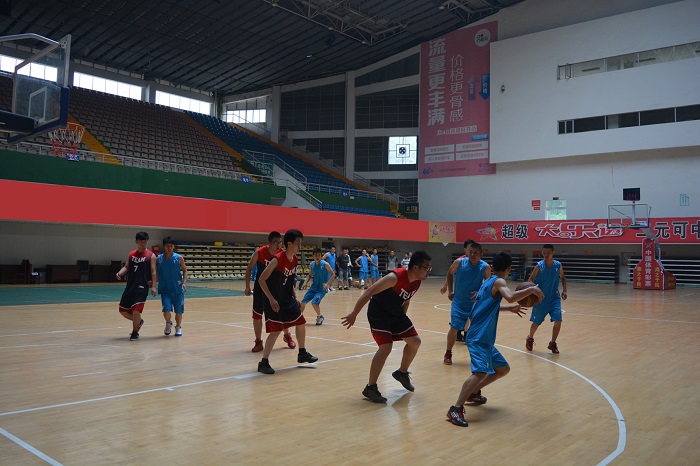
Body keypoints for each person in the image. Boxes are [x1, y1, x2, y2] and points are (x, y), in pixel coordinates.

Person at [446, 252, 543, 427]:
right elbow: (511, 297)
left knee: (502, 369)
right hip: (478, 336)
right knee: (480, 372)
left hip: (484, 337)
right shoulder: (499, 282)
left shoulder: (487, 282)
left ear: (492, 266)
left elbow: (487, 306)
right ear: (509, 269)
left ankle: (473, 392)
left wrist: (509, 309)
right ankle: (456, 407)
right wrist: (531, 289)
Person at [342, 251, 432, 403]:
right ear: (416, 267)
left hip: (396, 313)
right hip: (379, 313)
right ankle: (370, 387)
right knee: (386, 347)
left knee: (415, 341)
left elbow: (407, 299)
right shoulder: (394, 277)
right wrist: (354, 313)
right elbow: (369, 291)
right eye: (426, 267)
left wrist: (403, 320)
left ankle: (402, 372)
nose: (429, 271)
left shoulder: (417, 281)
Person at [256, 229, 318, 374]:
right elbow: (261, 279)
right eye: (297, 243)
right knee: (277, 330)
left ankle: (302, 353)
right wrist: (271, 299)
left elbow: (290, 281)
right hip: (274, 300)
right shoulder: (277, 259)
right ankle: (263, 362)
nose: (300, 246)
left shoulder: (294, 259)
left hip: (287, 299)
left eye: (301, 243)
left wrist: (295, 297)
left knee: (301, 321)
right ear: (289, 244)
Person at [440, 241, 491, 365]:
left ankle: (479, 356)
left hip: (475, 304)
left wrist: (481, 293)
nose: (472, 255)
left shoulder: (485, 267)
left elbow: (489, 284)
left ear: (481, 254)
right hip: (459, 302)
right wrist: (450, 290)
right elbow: (449, 273)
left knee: (478, 330)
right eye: (470, 252)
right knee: (454, 328)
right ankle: (448, 352)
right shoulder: (459, 262)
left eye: (475, 253)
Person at [244, 231, 296, 353]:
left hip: (276, 289)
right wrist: (247, 286)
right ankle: (258, 341)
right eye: (275, 242)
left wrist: (292, 293)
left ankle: (287, 335)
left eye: (280, 242)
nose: (278, 245)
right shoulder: (260, 252)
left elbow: (288, 275)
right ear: (269, 243)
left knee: (281, 312)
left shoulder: (282, 254)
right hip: (260, 288)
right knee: (257, 315)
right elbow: (249, 268)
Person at [526, 244, 567, 354]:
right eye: (544, 252)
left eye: (548, 252)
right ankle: (530, 338)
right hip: (540, 299)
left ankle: (552, 343)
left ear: (553, 253)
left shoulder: (558, 265)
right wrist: (534, 290)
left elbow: (563, 277)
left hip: (554, 298)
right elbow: (530, 280)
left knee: (558, 320)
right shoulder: (539, 266)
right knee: (536, 323)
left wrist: (564, 290)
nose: (546, 254)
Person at [116, 231, 157, 341]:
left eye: (145, 242)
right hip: (130, 286)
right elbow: (127, 267)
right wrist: (120, 273)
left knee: (136, 310)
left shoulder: (151, 256)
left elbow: (153, 271)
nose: (143, 244)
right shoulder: (131, 254)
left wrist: (154, 286)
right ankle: (139, 321)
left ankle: (135, 333)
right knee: (123, 310)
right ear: (136, 242)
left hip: (142, 287)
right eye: (141, 242)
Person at [441, 239, 475, 343]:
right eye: (469, 248)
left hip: (471, 293)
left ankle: (465, 333)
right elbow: (450, 273)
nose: (472, 251)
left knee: (468, 315)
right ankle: (459, 332)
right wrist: (446, 287)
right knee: (458, 315)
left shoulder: (477, 262)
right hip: (460, 294)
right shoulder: (460, 261)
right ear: (465, 249)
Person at [157, 236, 188, 337]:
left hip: (178, 290)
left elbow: (185, 271)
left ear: (173, 246)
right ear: (164, 246)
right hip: (165, 290)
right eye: (167, 246)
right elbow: (154, 271)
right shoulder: (159, 259)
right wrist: (152, 282)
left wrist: (184, 283)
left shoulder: (179, 258)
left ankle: (178, 327)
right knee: (166, 310)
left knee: (179, 311)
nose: (169, 248)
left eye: (171, 246)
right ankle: (168, 323)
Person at [301, 248, 336, 325]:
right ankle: (299, 318)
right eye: (316, 255)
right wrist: (305, 283)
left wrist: (327, 284)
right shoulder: (312, 264)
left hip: (321, 289)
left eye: (319, 255)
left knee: (314, 303)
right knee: (303, 303)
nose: (317, 257)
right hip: (313, 287)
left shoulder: (325, 264)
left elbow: (333, 274)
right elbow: (309, 275)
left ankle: (320, 317)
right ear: (313, 256)